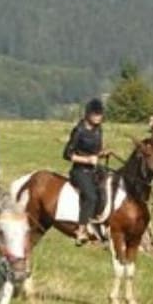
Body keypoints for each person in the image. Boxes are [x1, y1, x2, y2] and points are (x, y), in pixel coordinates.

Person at [63, 97, 108, 245]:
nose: (98, 117)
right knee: (90, 196)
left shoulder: (98, 130)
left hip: (94, 169)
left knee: (108, 187)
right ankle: (81, 230)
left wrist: (102, 153)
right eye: (95, 114)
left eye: (100, 114)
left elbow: (97, 150)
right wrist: (87, 160)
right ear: (88, 114)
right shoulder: (79, 130)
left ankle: (99, 223)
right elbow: (67, 154)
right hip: (79, 171)